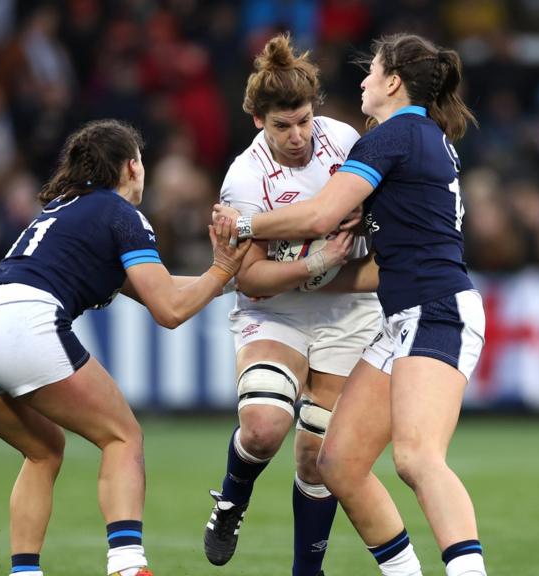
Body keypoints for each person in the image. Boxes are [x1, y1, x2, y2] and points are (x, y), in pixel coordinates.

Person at [214, 33, 488, 576]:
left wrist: (242, 224)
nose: (361, 81)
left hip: (435, 311)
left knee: (417, 458)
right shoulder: (417, 135)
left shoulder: (389, 136)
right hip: (400, 317)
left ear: (392, 82)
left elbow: (318, 217)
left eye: (371, 71)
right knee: (337, 462)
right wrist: (308, 268)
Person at [0, 119, 251, 576]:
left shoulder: (65, 209)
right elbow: (169, 310)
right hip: (21, 323)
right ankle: (128, 566)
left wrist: (234, 281)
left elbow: (158, 290)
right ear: (131, 167)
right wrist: (223, 268)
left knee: (44, 449)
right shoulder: (121, 214)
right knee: (123, 436)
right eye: (141, 161)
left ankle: (24, 572)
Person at [201, 33, 382, 576]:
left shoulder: (345, 140)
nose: (298, 135)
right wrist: (319, 261)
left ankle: (308, 572)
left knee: (318, 454)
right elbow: (251, 279)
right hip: (276, 309)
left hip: (346, 313)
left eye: (303, 119)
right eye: (282, 125)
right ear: (258, 120)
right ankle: (232, 500)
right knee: (261, 428)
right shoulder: (244, 177)